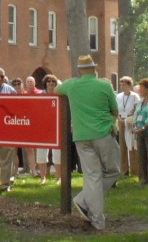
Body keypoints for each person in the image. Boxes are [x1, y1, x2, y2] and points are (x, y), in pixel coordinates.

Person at [56, 55, 119, 232]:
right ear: (94, 68)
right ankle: (87, 205)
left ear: (79, 69)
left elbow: (56, 90)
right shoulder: (105, 85)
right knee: (113, 171)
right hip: (103, 134)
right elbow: (115, 110)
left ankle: (92, 211)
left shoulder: (71, 85)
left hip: (81, 136)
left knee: (93, 177)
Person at [115, 77, 138, 178]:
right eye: (121, 85)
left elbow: (137, 109)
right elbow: (116, 109)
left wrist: (131, 118)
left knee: (132, 145)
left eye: (124, 85)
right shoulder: (119, 96)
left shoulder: (134, 96)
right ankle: (123, 171)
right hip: (121, 121)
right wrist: (118, 118)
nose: (122, 87)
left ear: (129, 85)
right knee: (122, 146)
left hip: (131, 122)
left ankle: (135, 170)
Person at [44, 74, 62, 183]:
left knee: (57, 153)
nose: (50, 83)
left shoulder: (60, 96)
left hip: (57, 127)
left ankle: (58, 177)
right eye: (48, 81)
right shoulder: (42, 96)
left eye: (52, 81)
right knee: (42, 153)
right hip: (45, 127)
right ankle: (43, 176)